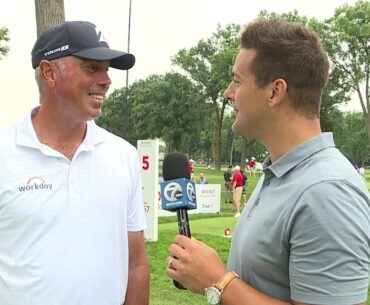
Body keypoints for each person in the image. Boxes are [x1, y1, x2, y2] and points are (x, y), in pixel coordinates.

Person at [165, 19, 370, 305]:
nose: (228, 93)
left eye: (237, 80)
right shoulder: (278, 172)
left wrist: (218, 282)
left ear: (275, 92)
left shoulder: (327, 191)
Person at [0, 21, 149, 305]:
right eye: (91, 68)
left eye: (107, 69)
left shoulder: (123, 156)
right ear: (48, 72)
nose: (106, 80)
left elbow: (136, 264)